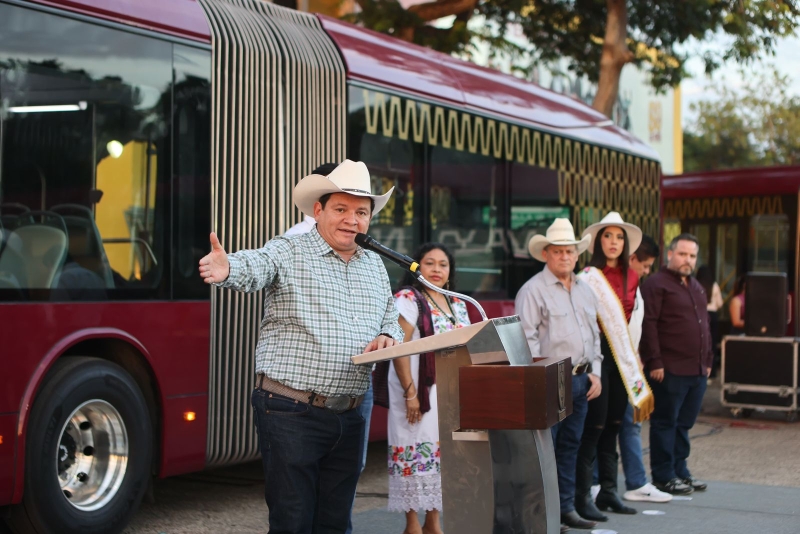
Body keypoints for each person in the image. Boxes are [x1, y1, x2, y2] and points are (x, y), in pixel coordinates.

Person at [198, 159, 404, 534]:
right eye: (340, 209)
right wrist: (228, 269)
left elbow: (390, 319)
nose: (351, 220)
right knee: (293, 521)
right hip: (291, 412)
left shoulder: (374, 264)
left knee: (335, 523)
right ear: (318, 210)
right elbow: (256, 266)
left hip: (351, 414)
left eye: (361, 212)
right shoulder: (289, 250)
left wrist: (389, 337)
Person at [515, 218, 603, 531]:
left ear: (577, 255)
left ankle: (565, 510)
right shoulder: (532, 290)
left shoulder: (585, 290)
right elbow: (526, 342)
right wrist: (539, 383)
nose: (564, 256)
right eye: (558, 251)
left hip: (581, 379)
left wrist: (596, 372)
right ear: (546, 255)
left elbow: (594, 335)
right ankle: (544, 516)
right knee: (545, 452)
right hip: (549, 380)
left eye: (569, 251)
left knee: (570, 448)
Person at [574, 213, 653, 521]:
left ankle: (609, 491)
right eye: (608, 236)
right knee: (593, 427)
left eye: (619, 238)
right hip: (597, 356)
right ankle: (582, 496)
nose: (613, 243)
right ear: (598, 241)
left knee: (615, 425)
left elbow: (632, 320)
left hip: (622, 356)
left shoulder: (632, 276)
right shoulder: (587, 276)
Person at [388, 243, 469, 534]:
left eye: (443, 264)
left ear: (450, 271)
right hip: (414, 389)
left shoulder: (456, 302)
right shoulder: (408, 298)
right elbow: (399, 349)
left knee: (441, 456)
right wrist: (410, 393)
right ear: (417, 267)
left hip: (448, 392)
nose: (436, 269)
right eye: (430, 263)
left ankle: (433, 521)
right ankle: (412, 524)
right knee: (412, 449)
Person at [640, 233, 713, 496]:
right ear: (670, 254)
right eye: (682, 254)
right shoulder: (656, 285)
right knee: (664, 423)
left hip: (696, 370)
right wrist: (655, 361)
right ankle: (663, 475)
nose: (687, 260)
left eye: (692, 256)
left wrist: (708, 361)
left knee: (684, 424)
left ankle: (681, 471)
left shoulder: (696, 287)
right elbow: (648, 326)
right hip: (668, 370)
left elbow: (705, 326)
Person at [618, 235, 672, 504]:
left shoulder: (634, 285)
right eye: (646, 265)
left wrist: (637, 356)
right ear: (632, 259)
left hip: (631, 364)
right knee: (611, 427)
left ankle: (635, 481)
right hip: (616, 364)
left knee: (631, 423)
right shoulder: (614, 284)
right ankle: (600, 483)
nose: (648, 271)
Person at [696, 265, 724, 376]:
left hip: (699, 315)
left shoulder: (695, 284)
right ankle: (711, 372)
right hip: (712, 315)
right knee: (711, 342)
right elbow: (720, 303)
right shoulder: (714, 285)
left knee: (699, 342)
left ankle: (699, 369)